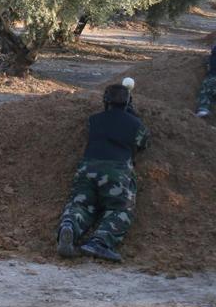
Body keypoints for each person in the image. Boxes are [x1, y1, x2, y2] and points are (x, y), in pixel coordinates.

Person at [56, 82, 149, 263]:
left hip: (88, 167)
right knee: (120, 209)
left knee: (80, 205)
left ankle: (69, 226)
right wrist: (133, 117)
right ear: (128, 101)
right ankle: (100, 241)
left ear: (105, 101)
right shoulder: (136, 124)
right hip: (117, 170)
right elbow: (143, 143)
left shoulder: (94, 120)